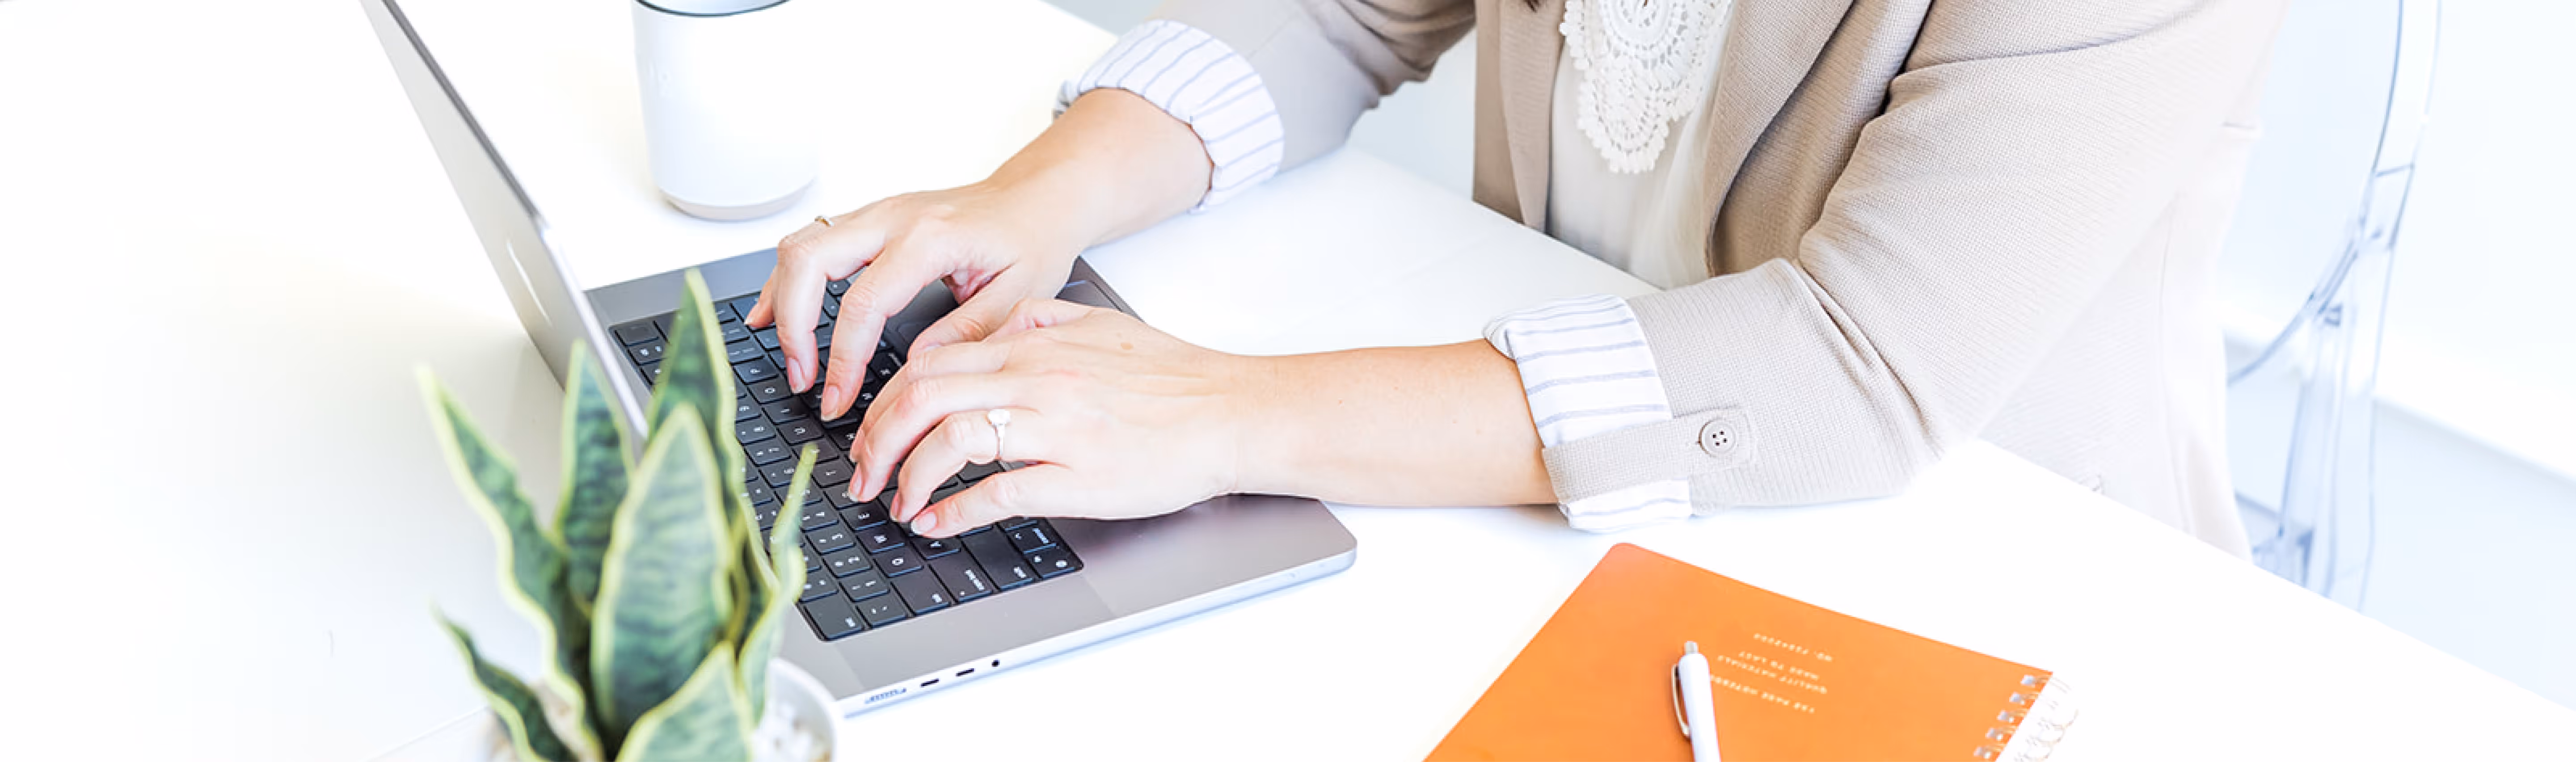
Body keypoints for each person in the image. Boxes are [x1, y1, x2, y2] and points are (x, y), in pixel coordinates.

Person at [743, 0, 2286, 554]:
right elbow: (1348, 12)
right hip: (1540, 484)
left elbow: (1855, 365)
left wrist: (1215, 414)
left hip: (1968, 557)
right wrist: (1030, 204)